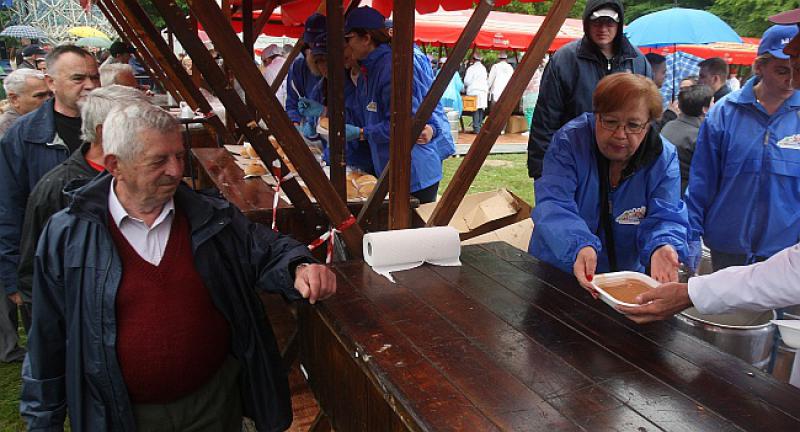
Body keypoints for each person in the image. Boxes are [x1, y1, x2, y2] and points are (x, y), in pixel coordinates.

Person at [21, 102, 337, 431]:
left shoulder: (209, 217)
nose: (175, 170)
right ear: (115, 165)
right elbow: (47, 340)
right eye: (159, 160)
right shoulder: (69, 234)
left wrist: (299, 267)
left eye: (179, 156)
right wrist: (44, 422)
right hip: (123, 415)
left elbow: (267, 250)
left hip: (212, 405)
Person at [528, 73, 690, 293]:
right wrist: (579, 245)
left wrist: (663, 244)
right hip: (560, 268)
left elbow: (666, 215)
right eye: (611, 121)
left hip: (623, 280)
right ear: (597, 115)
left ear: (649, 125)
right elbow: (553, 204)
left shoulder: (663, 157)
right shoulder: (569, 143)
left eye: (633, 125)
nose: (620, 134)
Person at [17, 85, 149, 306]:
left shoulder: (147, 175)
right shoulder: (59, 188)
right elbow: (35, 276)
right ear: (103, 132)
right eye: (140, 126)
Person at [685, 25, 800, 272]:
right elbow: (701, 183)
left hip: (786, 254)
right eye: (781, 71)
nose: (790, 80)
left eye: (797, 70)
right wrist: (690, 235)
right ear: (759, 67)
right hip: (728, 249)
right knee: (731, 312)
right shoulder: (724, 114)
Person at [0, 45, 99, 325]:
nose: (90, 86)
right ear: (51, 83)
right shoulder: (23, 136)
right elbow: (8, 207)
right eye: (78, 78)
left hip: (105, 264)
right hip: (50, 267)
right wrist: (14, 278)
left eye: (95, 77)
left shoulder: (114, 127)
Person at [527, 0, 652, 179]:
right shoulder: (565, 59)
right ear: (586, 22)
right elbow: (546, 118)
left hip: (621, 164)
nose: (603, 28)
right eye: (596, 22)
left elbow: (648, 119)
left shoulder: (637, 62)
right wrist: (540, 170)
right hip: (572, 159)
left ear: (619, 24)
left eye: (609, 22)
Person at [345, 6, 444, 203]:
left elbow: (403, 124)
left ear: (366, 38)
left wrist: (363, 133)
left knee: (411, 233)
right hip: (391, 170)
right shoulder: (368, 71)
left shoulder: (392, 67)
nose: (346, 46)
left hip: (414, 173)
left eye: (349, 39)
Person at [661, 84, 713, 193]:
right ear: (705, 109)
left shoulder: (669, 125)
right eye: (713, 102)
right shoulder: (700, 137)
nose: (715, 105)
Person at [286, 13, 325, 127]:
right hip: (311, 133)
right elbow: (292, 102)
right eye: (311, 43)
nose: (314, 48)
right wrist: (295, 123)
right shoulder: (299, 66)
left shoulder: (343, 70)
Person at [0, 69, 51, 137]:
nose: (49, 99)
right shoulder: (8, 130)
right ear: (14, 99)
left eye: (51, 94)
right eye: (40, 95)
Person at [463, 52, 488, 134]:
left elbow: (466, 81)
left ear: (473, 60)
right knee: (481, 109)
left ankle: (476, 128)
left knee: (475, 109)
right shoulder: (483, 68)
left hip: (474, 91)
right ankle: (479, 126)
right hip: (483, 91)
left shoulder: (471, 69)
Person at [261, 43, 288, 108]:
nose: (264, 65)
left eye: (264, 62)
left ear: (267, 60)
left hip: (277, 108)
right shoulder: (290, 63)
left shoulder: (269, 70)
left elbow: (266, 94)